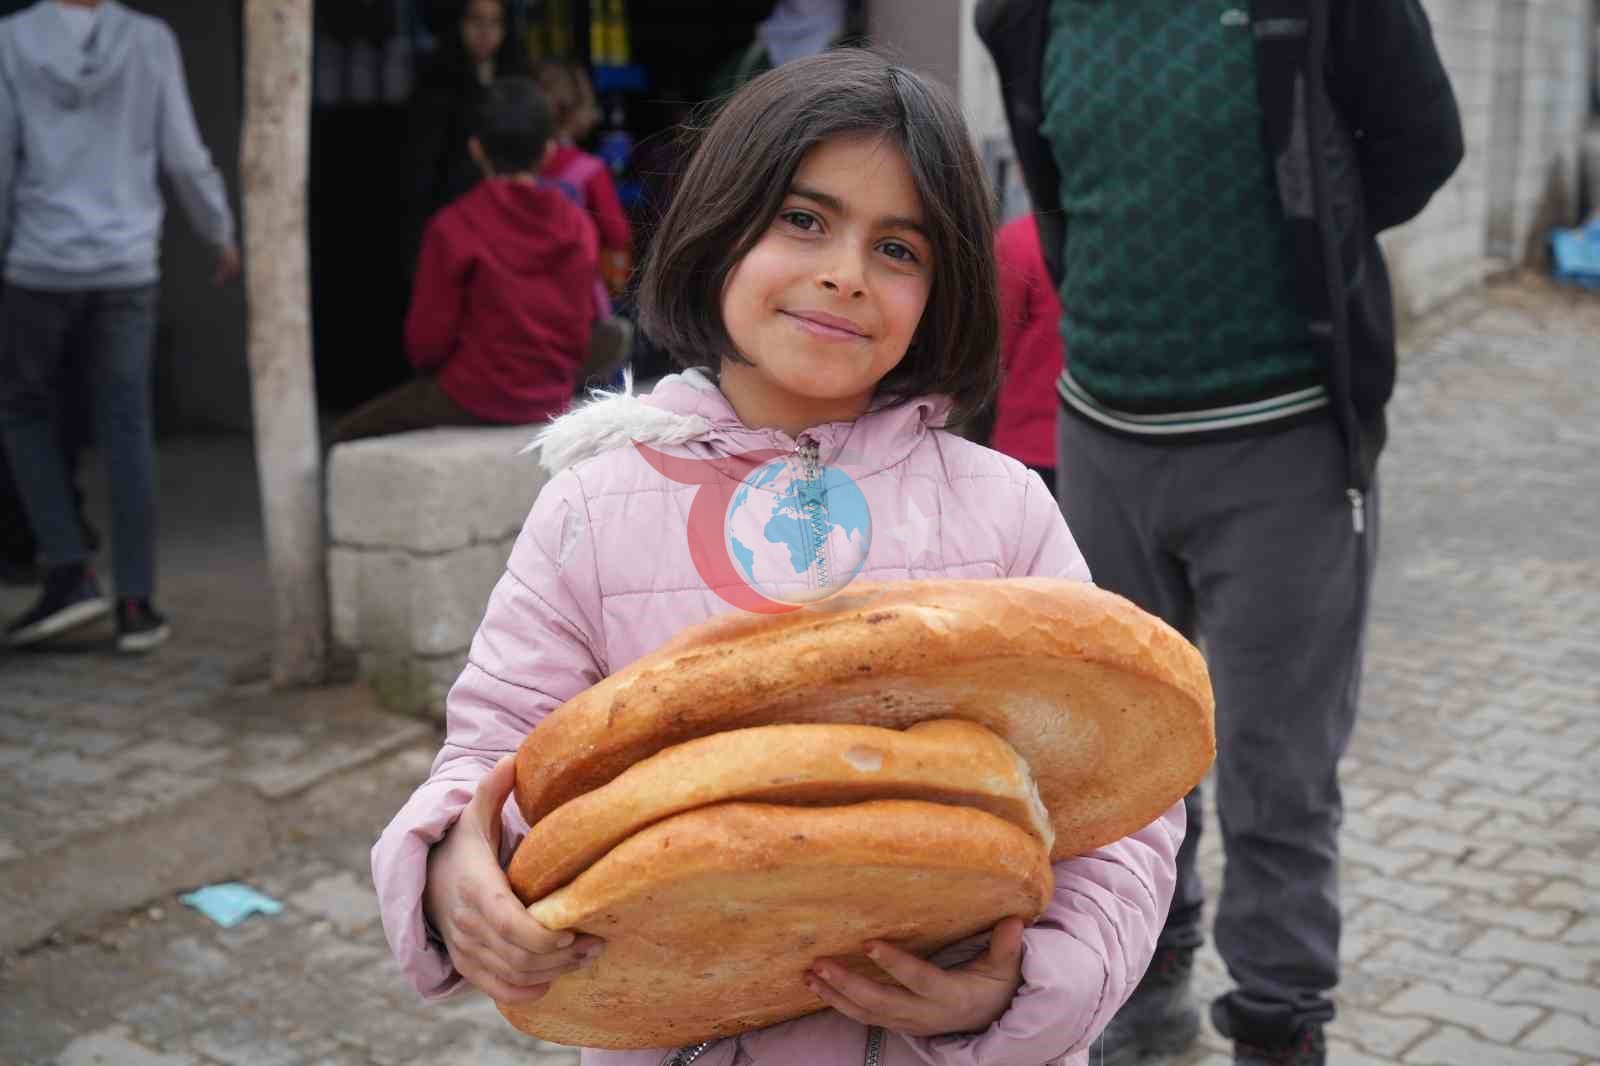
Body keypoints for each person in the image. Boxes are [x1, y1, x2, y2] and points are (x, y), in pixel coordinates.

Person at [372, 49, 1183, 1066]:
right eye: (803, 220)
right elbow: (489, 759)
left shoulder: (1004, 510)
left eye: (899, 248)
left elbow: (1122, 811)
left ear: (943, 291)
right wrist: (458, 877)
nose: (844, 271)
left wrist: (1020, 991)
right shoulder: (590, 507)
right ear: (720, 226)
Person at [975, 3, 1464, 1064]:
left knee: (1276, 769)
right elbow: (1054, 196)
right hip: (1100, 434)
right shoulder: (1025, 12)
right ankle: (1142, 987)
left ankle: (1279, 1024)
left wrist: (1299, 236)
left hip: (1281, 441)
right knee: (1114, 758)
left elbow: (1421, 148)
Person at [0, 0, 240, 651]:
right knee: (126, 425)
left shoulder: (13, 40)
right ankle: (137, 603)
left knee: (22, 412)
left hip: (39, 264)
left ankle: (69, 567)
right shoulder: (149, 40)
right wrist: (218, 230)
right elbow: (186, 157)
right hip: (127, 266)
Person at [333, 78, 600, 443]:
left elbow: (427, 343)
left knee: (345, 435)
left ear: (476, 150)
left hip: (473, 396)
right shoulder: (578, 225)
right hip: (551, 395)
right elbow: (579, 329)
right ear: (548, 152)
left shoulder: (454, 225)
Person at [404, 0, 529, 271]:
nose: (484, 32)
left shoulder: (518, 82)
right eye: (475, 21)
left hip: (510, 222)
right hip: (452, 217)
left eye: (494, 23)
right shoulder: (435, 83)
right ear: (459, 23)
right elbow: (422, 168)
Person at [535, 60, 633, 297]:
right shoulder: (590, 170)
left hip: (522, 293)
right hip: (578, 296)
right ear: (576, 110)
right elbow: (617, 235)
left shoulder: (516, 166)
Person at [992, 213, 1065, 496]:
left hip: (1026, 443)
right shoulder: (1114, 242)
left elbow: (997, 347)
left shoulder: (1018, 241)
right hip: (1104, 444)